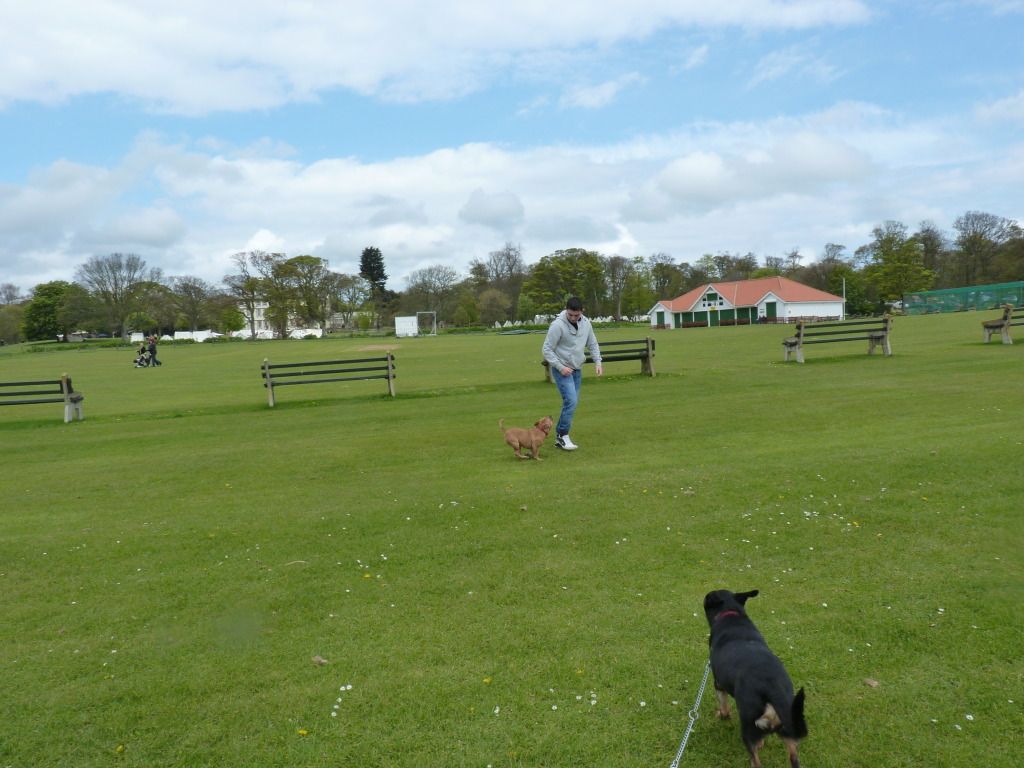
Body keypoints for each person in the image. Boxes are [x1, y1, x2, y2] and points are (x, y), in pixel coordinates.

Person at [541, 296, 602, 451]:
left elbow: (592, 343)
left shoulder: (586, 323)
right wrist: (560, 367)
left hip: (577, 369)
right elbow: (546, 349)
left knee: (571, 403)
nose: (573, 318)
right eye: (570, 315)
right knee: (571, 401)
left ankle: (559, 437)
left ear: (582, 311)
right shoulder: (557, 325)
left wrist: (598, 362)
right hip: (562, 370)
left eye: (576, 315)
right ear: (566, 311)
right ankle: (562, 435)